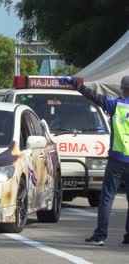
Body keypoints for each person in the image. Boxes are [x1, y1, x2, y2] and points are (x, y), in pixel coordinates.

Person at [60, 76, 129, 246]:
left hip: (117, 158)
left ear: (122, 89)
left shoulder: (114, 104)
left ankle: (100, 236)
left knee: (107, 197)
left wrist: (74, 82)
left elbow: (91, 95)